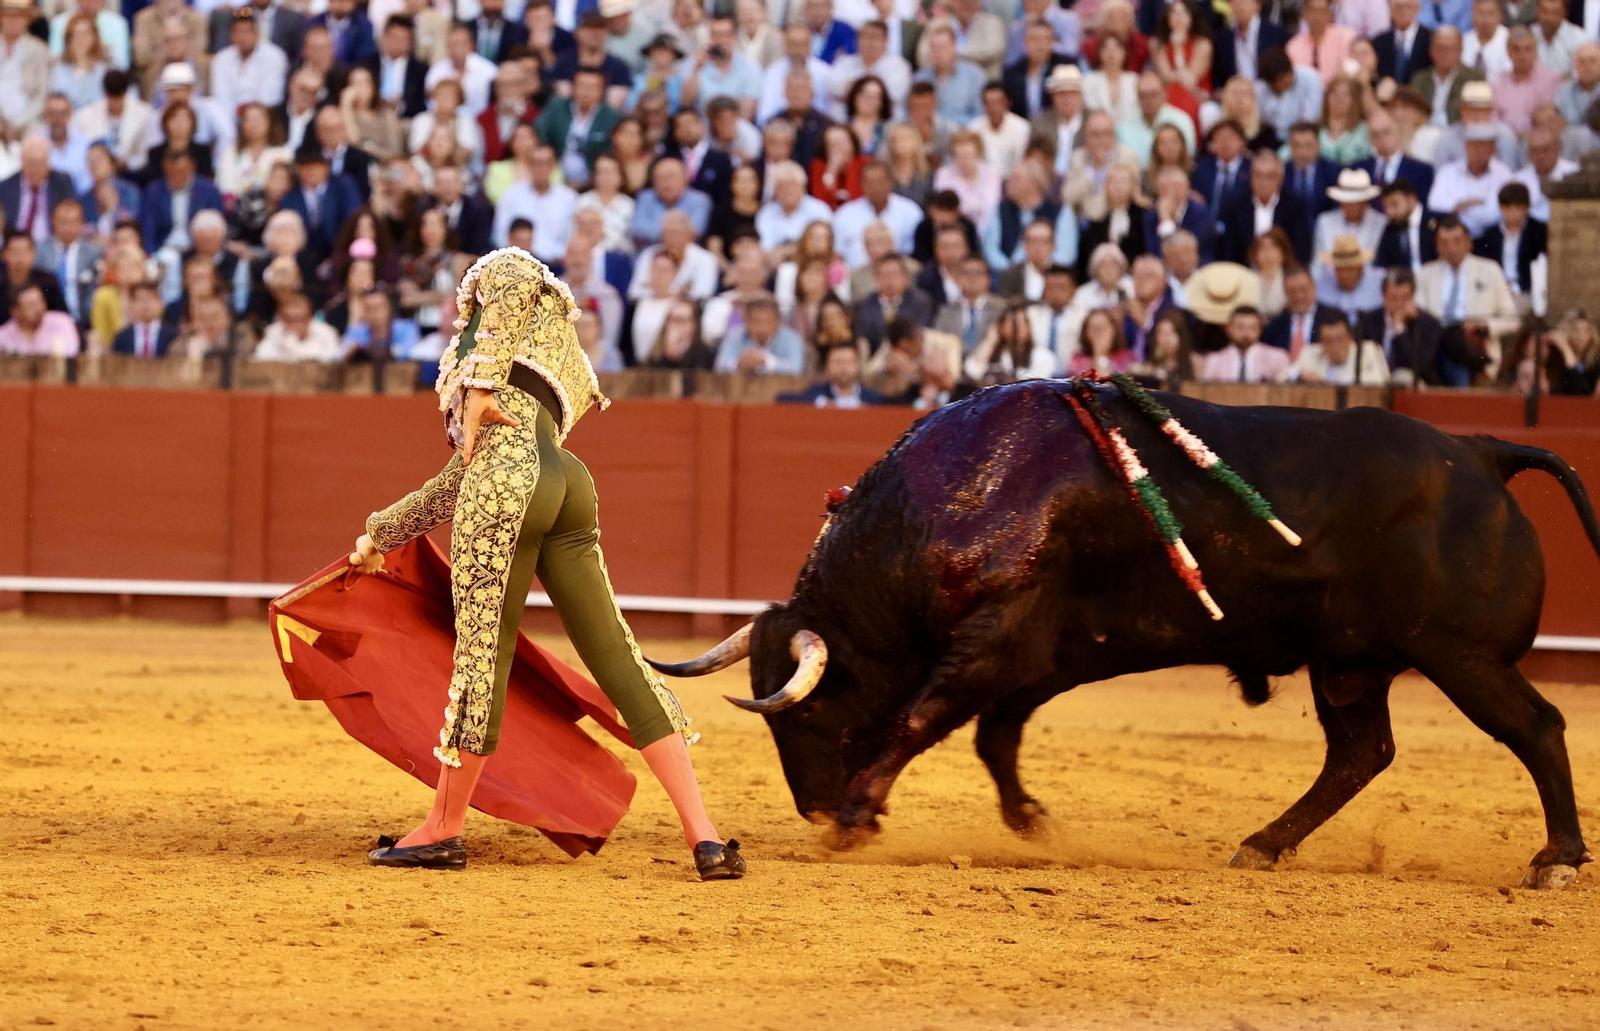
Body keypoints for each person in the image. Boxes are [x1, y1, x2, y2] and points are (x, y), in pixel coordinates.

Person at [351, 249, 744, 877]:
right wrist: (380, 536)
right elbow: (462, 477)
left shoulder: (495, 282)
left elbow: (512, 274)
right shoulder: (550, 342)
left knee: (482, 656)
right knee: (617, 653)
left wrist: (477, 387)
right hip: (566, 482)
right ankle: (706, 839)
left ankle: (443, 828)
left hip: (508, 482)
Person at [1415, 215, 1516, 383]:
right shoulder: (1426, 274)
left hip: (1473, 345)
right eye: (1444, 242)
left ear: (1469, 242)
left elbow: (1512, 318)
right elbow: (1419, 315)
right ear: (1437, 246)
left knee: (1457, 346)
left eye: (1457, 241)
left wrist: (1486, 325)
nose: (1451, 248)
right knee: (1446, 340)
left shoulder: (1489, 270)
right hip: (1436, 344)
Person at [1356, 265, 1445, 384]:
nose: (1399, 304)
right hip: (1375, 383)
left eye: (1405, 298)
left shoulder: (1427, 323)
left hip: (1416, 388)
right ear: (1383, 297)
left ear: (1413, 297)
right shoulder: (1368, 321)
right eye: (1393, 298)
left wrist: (1400, 330)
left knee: (1402, 377)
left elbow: (1418, 365)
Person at [1472, 182, 1546, 299]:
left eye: (1517, 208)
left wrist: (1516, 289)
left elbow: (1538, 269)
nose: (1512, 213)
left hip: (1526, 292)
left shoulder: (1539, 232)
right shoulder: (1490, 235)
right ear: (1500, 207)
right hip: (1494, 290)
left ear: (1527, 207)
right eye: (1507, 207)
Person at [854, 253, 934, 351]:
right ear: (876, 278)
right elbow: (863, 337)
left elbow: (921, 333)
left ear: (905, 277)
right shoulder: (865, 305)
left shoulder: (921, 302)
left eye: (894, 275)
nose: (890, 280)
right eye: (885, 275)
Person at [713, 290, 805, 373]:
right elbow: (720, 366)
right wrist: (738, 364)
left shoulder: (791, 338)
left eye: (768, 321)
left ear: (778, 322)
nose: (762, 327)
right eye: (756, 321)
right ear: (746, 321)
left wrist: (766, 362)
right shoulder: (734, 336)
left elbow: (796, 368)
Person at [1287, 310, 1390, 384]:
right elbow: (1284, 376)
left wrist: (1327, 383)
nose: (1334, 346)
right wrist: (1300, 376)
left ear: (1350, 337)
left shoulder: (1369, 350)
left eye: (1339, 339)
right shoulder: (1310, 352)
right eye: (1328, 341)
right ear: (1321, 341)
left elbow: (1379, 380)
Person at [934, 254, 1005, 354]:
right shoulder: (946, 311)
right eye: (966, 273)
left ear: (988, 279)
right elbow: (939, 342)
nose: (972, 278)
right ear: (957, 279)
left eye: (978, 273)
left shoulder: (1002, 309)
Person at [778, 341, 884, 407]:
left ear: (857, 366)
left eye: (848, 362)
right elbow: (783, 398)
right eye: (838, 362)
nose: (843, 367)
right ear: (827, 367)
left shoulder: (872, 398)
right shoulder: (816, 392)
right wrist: (822, 403)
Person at [1199, 304, 1289, 381]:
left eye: (1252, 328)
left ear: (1260, 330)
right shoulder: (1214, 360)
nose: (1246, 333)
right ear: (1228, 329)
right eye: (1240, 327)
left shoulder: (1277, 358)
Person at [0, 280, 79, 356]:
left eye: (40, 302)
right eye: (31, 305)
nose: (38, 309)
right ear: (15, 311)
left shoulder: (61, 322)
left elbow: (70, 353)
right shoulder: (3, 335)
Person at [109, 281, 177, 358]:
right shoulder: (122, 337)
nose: (145, 304)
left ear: (160, 303)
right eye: (140, 299)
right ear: (131, 305)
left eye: (150, 299)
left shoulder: (173, 336)